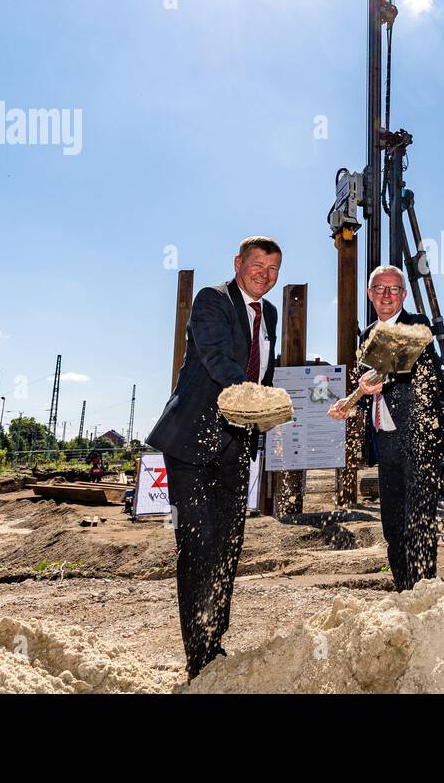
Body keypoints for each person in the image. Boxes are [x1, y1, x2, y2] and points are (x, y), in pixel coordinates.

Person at [146, 235, 281, 679]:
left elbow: (263, 366)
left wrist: (263, 410)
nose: (265, 274)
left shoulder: (270, 314)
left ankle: (213, 639)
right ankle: (198, 656)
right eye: (258, 265)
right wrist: (262, 397)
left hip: (237, 445)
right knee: (199, 545)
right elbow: (218, 360)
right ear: (238, 263)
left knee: (228, 546)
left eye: (273, 269)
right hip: (192, 443)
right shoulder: (212, 301)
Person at [328, 265, 441, 591]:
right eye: (379, 288)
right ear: (369, 294)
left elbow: (406, 363)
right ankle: (405, 590)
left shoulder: (417, 324)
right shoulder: (367, 336)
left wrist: (380, 379)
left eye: (394, 289)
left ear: (404, 295)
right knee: (393, 526)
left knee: (418, 523)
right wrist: (350, 405)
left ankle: (426, 594)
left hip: (418, 439)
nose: (387, 295)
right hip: (386, 443)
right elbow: (368, 391)